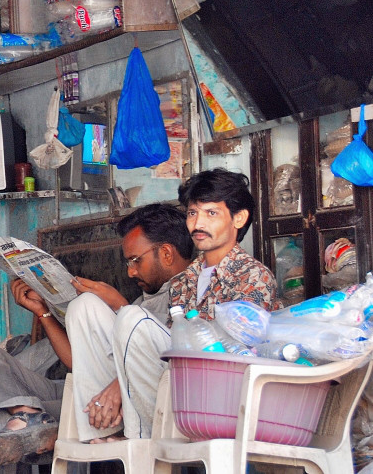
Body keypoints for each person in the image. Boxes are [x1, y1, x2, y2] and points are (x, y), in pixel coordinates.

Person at [0, 203, 193, 470]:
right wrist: (42, 311)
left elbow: (168, 362)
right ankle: (29, 417)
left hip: (117, 408)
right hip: (86, 397)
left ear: (168, 253)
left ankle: (31, 425)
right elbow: (79, 366)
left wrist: (119, 306)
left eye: (136, 260)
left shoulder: (186, 295)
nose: (130, 271)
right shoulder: (143, 299)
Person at [66, 169, 280, 444]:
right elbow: (162, 355)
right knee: (87, 307)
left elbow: (237, 354)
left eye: (211, 213)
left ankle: (139, 443)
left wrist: (120, 383)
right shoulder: (184, 281)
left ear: (239, 218)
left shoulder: (253, 276)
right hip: (177, 388)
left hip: (222, 398)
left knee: (132, 317)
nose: (198, 223)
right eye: (193, 213)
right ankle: (109, 433)